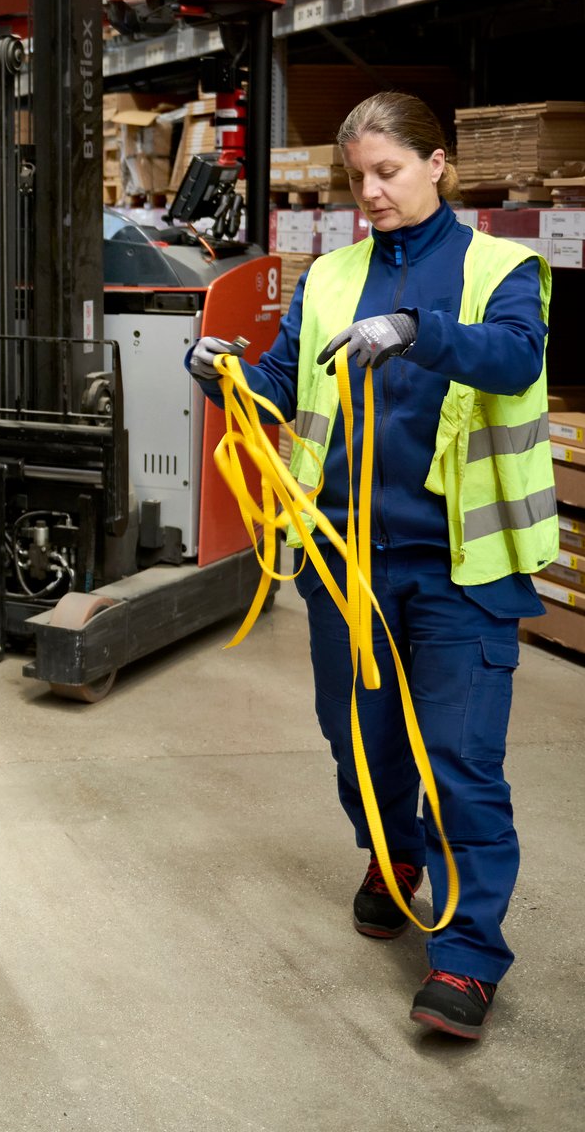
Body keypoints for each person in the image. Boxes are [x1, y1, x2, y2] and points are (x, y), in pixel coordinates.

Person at [186, 91, 556, 1040]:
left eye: (388, 171)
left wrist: (419, 333)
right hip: (343, 560)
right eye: (359, 177)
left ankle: (468, 961)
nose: (371, 193)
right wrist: (224, 368)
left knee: (461, 763)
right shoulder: (332, 276)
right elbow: (281, 382)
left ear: (439, 164)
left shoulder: (501, 268)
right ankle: (392, 858)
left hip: (459, 568)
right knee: (360, 744)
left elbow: (514, 360)